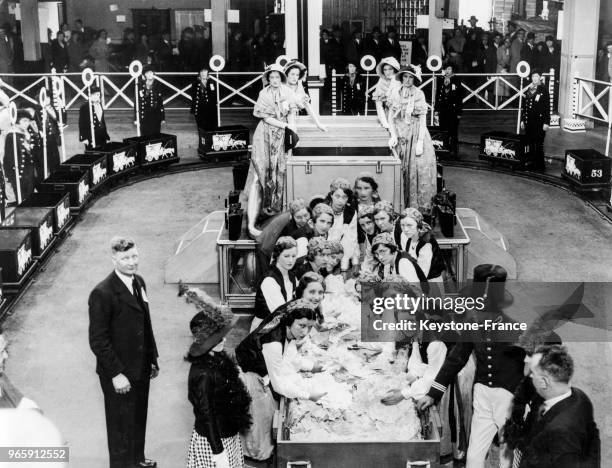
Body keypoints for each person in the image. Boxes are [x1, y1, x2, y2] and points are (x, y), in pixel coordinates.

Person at [417, 264, 525, 468]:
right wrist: (433, 393)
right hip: (483, 395)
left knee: (507, 459)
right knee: (474, 458)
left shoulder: (516, 325)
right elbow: (456, 359)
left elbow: (552, 345)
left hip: (509, 398)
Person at [88, 237, 159, 468]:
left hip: (140, 367)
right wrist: (116, 374)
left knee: (138, 419)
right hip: (118, 374)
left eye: (134, 256)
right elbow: (98, 340)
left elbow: (145, 323)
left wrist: (152, 358)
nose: (131, 262)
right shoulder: (102, 293)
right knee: (120, 429)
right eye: (125, 258)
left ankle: (138, 459)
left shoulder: (139, 282)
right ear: (114, 259)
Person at [235, 300, 326, 460]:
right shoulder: (273, 342)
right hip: (252, 375)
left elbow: (290, 357)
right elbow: (278, 384)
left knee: (267, 417)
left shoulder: (287, 332)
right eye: (302, 325)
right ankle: (255, 457)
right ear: (290, 321)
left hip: (265, 373)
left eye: (310, 327)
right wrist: (307, 395)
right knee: (260, 422)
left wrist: (312, 366)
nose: (305, 332)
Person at [180, 285, 251, 468]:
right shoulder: (202, 374)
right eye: (219, 338)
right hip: (214, 440)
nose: (225, 340)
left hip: (228, 432)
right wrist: (218, 452)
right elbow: (206, 414)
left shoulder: (217, 355)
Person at [516, 345, 600, 468]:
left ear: (544, 381)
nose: (529, 376)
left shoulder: (561, 432)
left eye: (533, 373)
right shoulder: (579, 397)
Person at [246, 64, 296, 237]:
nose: (274, 80)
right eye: (271, 77)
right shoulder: (263, 94)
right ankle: (253, 221)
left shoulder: (288, 92)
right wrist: (286, 125)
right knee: (260, 173)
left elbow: (291, 115)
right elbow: (266, 117)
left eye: (277, 77)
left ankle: (275, 215)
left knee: (280, 171)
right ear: (268, 78)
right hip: (265, 134)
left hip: (281, 136)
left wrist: (292, 132)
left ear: (281, 78)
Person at [388, 65, 437, 211]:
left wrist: (420, 142)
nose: (408, 80)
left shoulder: (419, 94)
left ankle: (415, 207)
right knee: (399, 168)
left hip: (415, 132)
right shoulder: (395, 93)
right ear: (401, 78)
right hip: (400, 133)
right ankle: (399, 206)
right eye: (405, 76)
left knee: (417, 167)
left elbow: (422, 119)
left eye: (410, 77)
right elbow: (391, 117)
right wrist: (393, 134)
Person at [252, 236, 299, 331]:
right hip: (264, 329)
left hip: (281, 325)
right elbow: (281, 313)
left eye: (293, 256)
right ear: (277, 256)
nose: (291, 260)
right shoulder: (269, 280)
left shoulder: (292, 276)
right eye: (286, 256)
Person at [394, 208, 445, 282]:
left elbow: (422, 275)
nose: (405, 229)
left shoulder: (426, 244)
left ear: (418, 226)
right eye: (402, 225)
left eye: (409, 225)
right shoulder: (406, 235)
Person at [325, 177, 359, 273]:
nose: (340, 201)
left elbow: (351, 239)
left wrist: (348, 265)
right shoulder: (324, 209)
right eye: (337, 196)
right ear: (331, 195)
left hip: (342, 254)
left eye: (344, 197)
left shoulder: (351, 212)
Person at [283, 59, 327, 130]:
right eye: (292, 74)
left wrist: (318, 124)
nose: (295, 77)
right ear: (287, 74)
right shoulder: (282, 87)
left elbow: (307, 105)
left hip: (291, 121)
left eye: (297, 75)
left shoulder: (298, 86)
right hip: (278, 121)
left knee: (293, 134)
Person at [4, 110, 37, 202]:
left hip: (30, 169)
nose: (27, 124)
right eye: (24, 121)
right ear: (17, 121)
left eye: (28, 121)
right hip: (19, 172)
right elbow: (8, 157)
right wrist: (10, 174)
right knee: (22, 196)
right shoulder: (11, 136)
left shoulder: (27, 134)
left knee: (30, 194)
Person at [520, 69, 550, 172]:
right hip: (529, 122)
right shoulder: (530, 89)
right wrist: (523, 120)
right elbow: (525, 106)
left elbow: (547, 107)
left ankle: (540, 166)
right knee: (530, 143)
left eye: (536, 76)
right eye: (533, 77)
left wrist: (546, 122)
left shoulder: (544, 90)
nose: (534, 78)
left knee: (539, 144)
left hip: (539, 122)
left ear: (540, 77)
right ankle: (531, 163)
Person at [435, 65, 464, 158]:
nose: (447, 71)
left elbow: (460, 98)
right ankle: (444, 149)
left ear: (452, 70)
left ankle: (454, 151)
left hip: (453, 110)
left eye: (449, 69)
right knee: (443, 130)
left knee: (453, 131)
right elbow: (437, 96)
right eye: (445, 69)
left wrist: (459, 112)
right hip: (443, 110)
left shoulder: (457, 80)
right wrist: (436, 109)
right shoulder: (440, 80)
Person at [372, 56, 400, 129]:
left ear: (394, 69)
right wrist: (385, 123)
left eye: (390, 69)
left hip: (401, 114)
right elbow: (379, 105)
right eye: (385, 70)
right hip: (388, 116)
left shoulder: (399, 80)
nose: (387, 72)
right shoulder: (381, 81)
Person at [136, 66, 165, 136]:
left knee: (155, 136)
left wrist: (162, 117)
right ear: (144, 75)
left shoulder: (158, 85)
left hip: (155, 115)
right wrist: (135, 118)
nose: (149, 74)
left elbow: (161, 103)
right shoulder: (140, 85)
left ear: (154, 73)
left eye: (151, 72)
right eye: (147, 73)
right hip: (144, 116)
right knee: (145, 136)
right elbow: (136, 103)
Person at [79, 85, 109, 149]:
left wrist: (106, 134)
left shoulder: (99, 104)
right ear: (91, 95)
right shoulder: (85, 106)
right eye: (97, 95)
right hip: (91, 136)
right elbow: (81, 123)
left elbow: (102, 120)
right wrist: (84, 138)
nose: (99, 97)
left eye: (99, 95)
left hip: (101, 135)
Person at [357, 206, 377, 273]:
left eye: (369, 222)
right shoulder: (368, 235)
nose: (366, 227)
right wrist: (365, 270)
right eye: (362, 225)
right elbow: (369, 255)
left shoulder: (384, 233)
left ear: (375, 221)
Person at [496, 36, 512, 101]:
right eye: (506, 42)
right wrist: (504, 65)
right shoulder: (499, 49)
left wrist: (508, 66)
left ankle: (505, 103)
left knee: (506, 87)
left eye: (509, 42)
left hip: (507, 70)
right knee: (500, 87)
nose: (507, 43)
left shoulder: (509, 50)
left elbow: (510, 59)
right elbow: (499, 60)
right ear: (504, 42)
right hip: (500, 69)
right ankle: (498, 103)